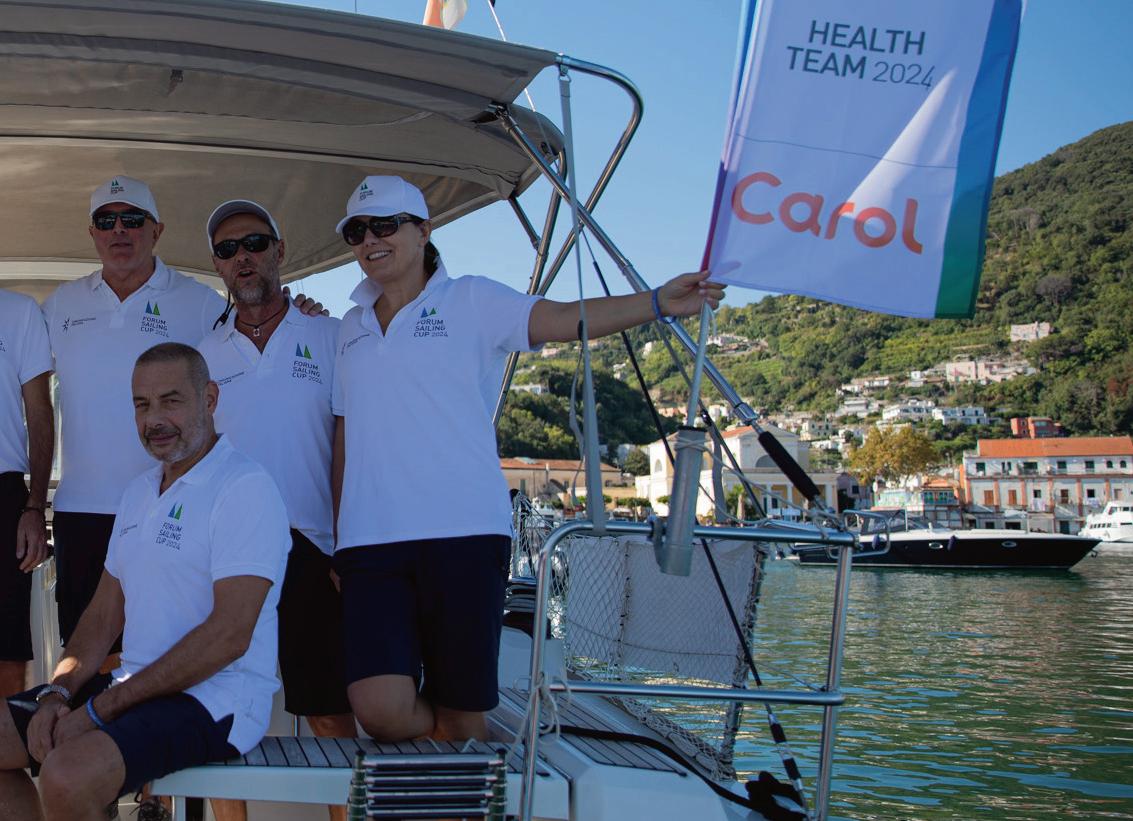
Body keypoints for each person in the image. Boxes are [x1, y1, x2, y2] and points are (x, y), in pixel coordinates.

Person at [330, 175, 725, 743]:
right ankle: (450, 748)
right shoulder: (349, 328)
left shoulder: (472, 300)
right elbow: (344, 435)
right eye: (357, 231)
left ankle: (456, 771)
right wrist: (340, 536)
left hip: (464, 534)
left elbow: (563, 319)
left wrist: (658, 302)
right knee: (379, 710)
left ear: (423, 231)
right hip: (370, 543)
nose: (371, 239)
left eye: (386, 225)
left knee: (462, 717)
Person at [0, 342, 289, 821]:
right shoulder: (138, 493)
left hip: (217, 699)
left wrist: (101, 710)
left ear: (210, 399)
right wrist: (57, 693)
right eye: (142, 404)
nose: (154, 419)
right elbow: (101, 616)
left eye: (170, 401)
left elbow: (229, 636)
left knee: (67, 774)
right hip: (134, 688)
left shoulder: (244, 488)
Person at [41, 176, 322, 652]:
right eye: (106, 221)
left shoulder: (203, 305)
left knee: (163, 650)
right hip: (80, 511)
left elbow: (257, 331)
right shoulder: (58, 306)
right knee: (85, 650)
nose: (119, 230)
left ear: (158, 230)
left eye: (133, 219)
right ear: (91, 233)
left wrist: (303, 316)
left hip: (173, 508)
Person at [197, 200, 353, 821]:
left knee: (329, 711)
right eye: (228, 249)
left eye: (255, 243)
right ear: (217, 265)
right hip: (229, 555)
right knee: (220, 708)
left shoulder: (331, 336)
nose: (243, 257)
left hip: (315, 546)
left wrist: (349, 544)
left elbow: (353, 446)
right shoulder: (202, 356)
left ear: (280, 251)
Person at [0, 289, 53, 698]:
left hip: (3, 494)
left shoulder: (19, 312)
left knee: (6, 640)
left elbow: (39, 411)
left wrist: (35, 505)